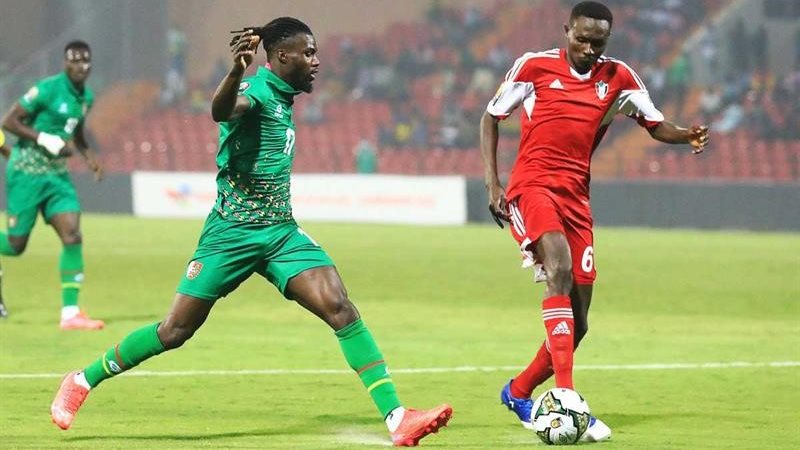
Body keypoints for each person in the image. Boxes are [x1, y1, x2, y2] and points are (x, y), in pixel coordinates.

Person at [50, 17, 452, 447]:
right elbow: (221, 110)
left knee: (340, 306)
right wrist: (236, 70)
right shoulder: (256, 90)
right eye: (309, 53)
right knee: (174, 331)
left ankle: (397, 418)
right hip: (231, 234)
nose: (316, 61)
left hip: (280, 233)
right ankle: (82, 379)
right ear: (282, 56)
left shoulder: (283, 96)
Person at [479, 1, 709, 442]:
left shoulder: (618, 77)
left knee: (579, 323)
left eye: (597, 43)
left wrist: (685, 135)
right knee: (559, 268)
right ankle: (567, 398)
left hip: (576, 200)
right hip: (533, 187)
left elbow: (654, 123)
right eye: (582, 39)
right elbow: (491, 117)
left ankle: (519, 391)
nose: (588, 48)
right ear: (566, 30)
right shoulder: (534, 67)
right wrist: (493, 183)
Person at [0, 40, 104, 327]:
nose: (81, 66)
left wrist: (89, 157)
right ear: (65, 63)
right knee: (15, 245)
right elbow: (9, 121)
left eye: (85, 61)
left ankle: (70, 314)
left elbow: (77, 131)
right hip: (27, 173)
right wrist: (44, 138)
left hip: (57, 177)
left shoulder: (86, 97)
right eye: (75, 61)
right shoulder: (46, 90)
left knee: (72, 235)